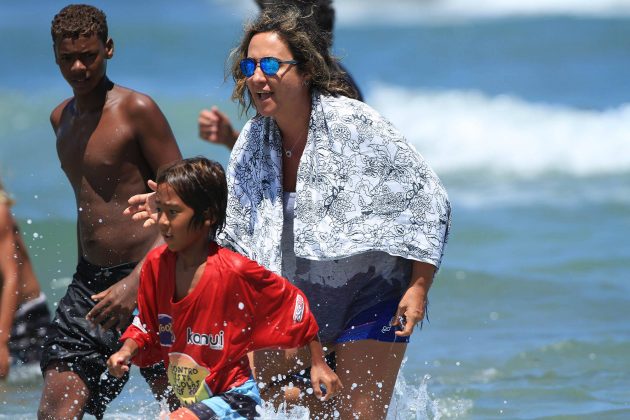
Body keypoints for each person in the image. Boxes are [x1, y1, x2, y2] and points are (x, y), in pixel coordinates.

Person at [128, 4, 451, 418]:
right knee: (276, 405)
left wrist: (418, 286)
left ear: (305, 70)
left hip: (372, 292)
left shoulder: (353, 123)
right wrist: (173, 206)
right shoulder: (252, 139)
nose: (257, 77)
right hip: (297, 298)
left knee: (358, 415)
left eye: (270, 64)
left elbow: (427, 198)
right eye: (249, 65)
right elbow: (233, 222)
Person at [108, 157, 341, 419]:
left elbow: (293, 304)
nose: (162, 222)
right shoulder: (155, 266)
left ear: (207, 215)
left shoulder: (234, 270)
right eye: (159, 210)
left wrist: (319, 364)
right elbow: (146, 325)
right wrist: (125, 352)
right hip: (197, 399)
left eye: (173, 212)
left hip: (237, 400)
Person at [38, 5, 182, 419]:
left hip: (153, 278)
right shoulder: (59, 119)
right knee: (56, 409)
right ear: (56, 57)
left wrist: (138, 282)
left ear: (109, 49)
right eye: (68, 58)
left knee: (186, 407)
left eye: (90, 55)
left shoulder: (137, 110)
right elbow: (92, 208)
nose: (79, 66)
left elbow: (185, 201)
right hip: (90, 286)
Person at [197, 0, 363, 150]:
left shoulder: (342, 97)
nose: (257, 77)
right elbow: (271, 162)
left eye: (272, 64)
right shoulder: (270, 119)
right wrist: (230, 138)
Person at [0, 180, 51, 380]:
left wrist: (2, 343)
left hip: (26, 316)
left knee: (30, 390)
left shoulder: (0, 212)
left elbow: (11, 277)